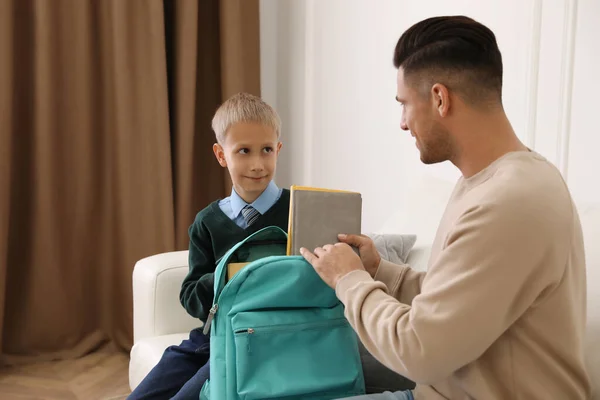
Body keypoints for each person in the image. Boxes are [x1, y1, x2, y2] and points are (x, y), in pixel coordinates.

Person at [300, 15, 591, 400]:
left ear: (440, 98)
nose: (403, 123)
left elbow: (419, 350)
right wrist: (380, 272)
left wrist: (349, 281)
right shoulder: (490, 182)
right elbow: (459, 305)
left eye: (404, 104)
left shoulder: (511, 202)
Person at [128, 92, 290, 399]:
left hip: (265, 338)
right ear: (221, 154)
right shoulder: (207, 222)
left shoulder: (299, 210)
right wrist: (227, 275)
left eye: (266, 150)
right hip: (209, 338)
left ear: (278, 150)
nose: (257, 164)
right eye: (243, 151)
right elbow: (191, 298)